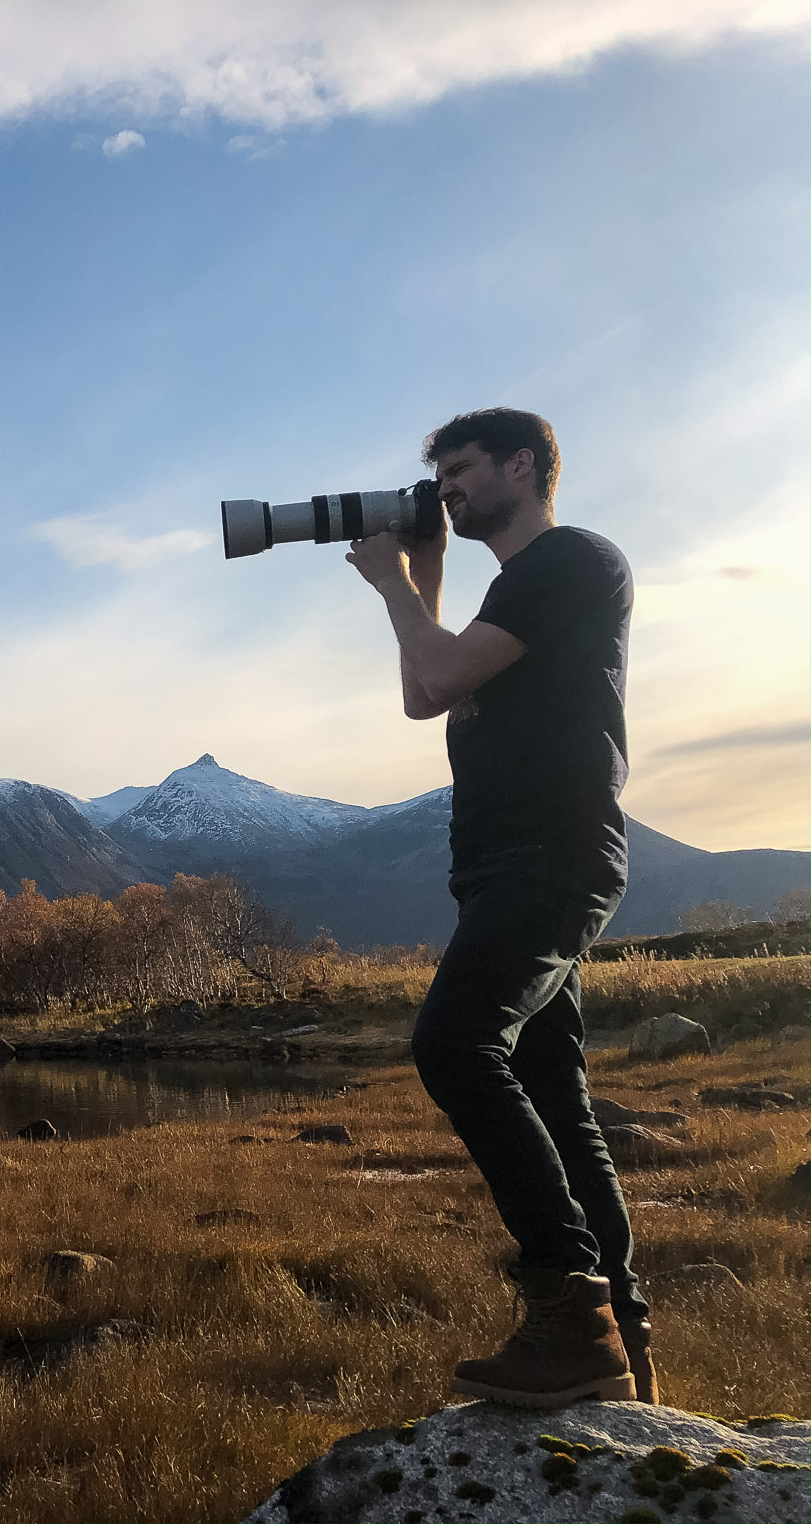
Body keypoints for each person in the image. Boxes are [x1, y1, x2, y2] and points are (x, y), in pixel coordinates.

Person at [346, 407, 651, 1409]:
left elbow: (430, 677)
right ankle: (623, 1360)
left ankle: (568, 1311)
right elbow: (423, 691)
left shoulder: (568, 562)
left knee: (452, 1044)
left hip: (547, 856)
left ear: (523, 464)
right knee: (556, 1101)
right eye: (439, 479)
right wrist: (419, 582)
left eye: (462, 472)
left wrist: (391, 582)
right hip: (501, 867)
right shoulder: (510, 594)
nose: (447, 491)